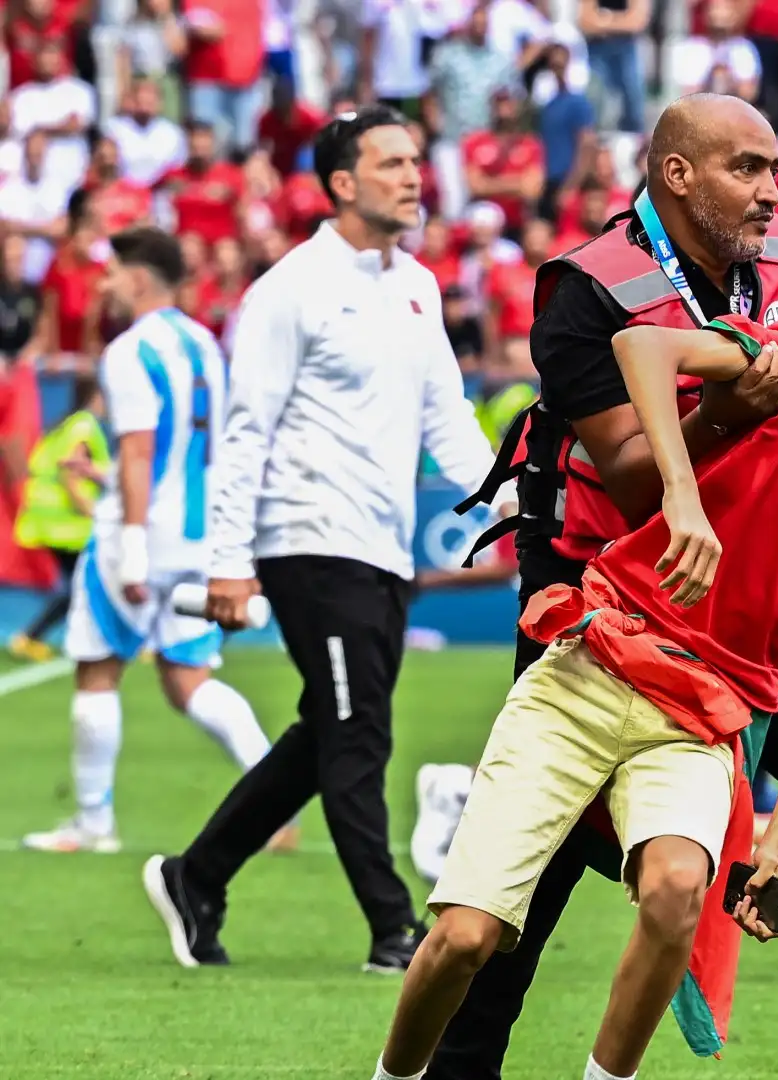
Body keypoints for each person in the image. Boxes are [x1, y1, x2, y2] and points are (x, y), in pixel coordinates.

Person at [373, 271, 778, 1080]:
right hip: (602, 657)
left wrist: (777, 841)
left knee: (675, 894)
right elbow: (641, 345)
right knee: (464, 936)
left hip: (707, 714)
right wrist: (681, 494)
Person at [424, 95, 778, 1080]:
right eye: (745, 167)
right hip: (600, 597)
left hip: (742, 602)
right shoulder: (587, 288)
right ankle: (458, 1065)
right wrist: (733, 417)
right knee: (554, 848)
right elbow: (629, 476)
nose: (772, 191)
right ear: (677, 176)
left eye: (774, 166)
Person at [140, 107, 499, 973]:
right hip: (306, 539)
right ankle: (393, 929)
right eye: (391, 163)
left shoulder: (416, 286)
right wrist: (228, 560)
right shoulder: (288, 290)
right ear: (341, 183)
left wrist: (515, 505)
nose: (414, 176)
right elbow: (245, 431)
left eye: (416, 160)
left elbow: (447, 421)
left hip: (380, 548)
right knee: (359, 733)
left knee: (330, 728)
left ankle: (197, 876)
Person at [20, 230, 274, 855]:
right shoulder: (206, 347)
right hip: (198, 535)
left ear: (137, 279)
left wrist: (132, 543)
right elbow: (193, 452)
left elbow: (138, 453)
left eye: (110, 275)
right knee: (189, 677)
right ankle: (273, 798)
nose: (102, 286)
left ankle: (92, 825)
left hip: (135, 536)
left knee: (97, 671)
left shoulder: (131, 350)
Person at [9, 377, 108, 662]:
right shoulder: (84, 427)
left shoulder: (65, 424)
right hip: (67, 524)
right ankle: (31, 636)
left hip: (48, 519)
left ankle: (47, 636)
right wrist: (94, 511)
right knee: (82, 585)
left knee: (80, 585)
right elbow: (70, 476)